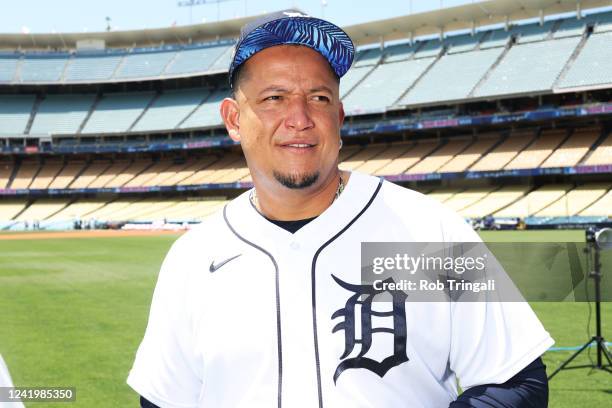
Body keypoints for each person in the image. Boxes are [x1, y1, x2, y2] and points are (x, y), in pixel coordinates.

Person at [128, 11, 553, 407]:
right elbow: (164, 399)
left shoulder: (432, 231)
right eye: (274, 97)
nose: (299, 117)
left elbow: (515, 380)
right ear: (234, 118)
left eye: (318, 97)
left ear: (340, 115)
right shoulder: (193, 257)